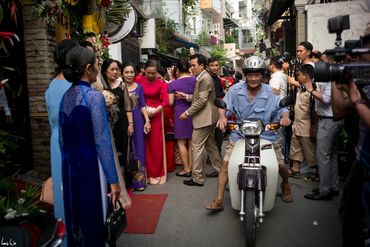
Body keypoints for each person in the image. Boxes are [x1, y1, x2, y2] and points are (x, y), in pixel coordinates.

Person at [206, 55, 292, 211]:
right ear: (245, 74)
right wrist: (221, 117)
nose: (253, 78)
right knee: (225, 165)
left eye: (257, 74)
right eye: (250, 74)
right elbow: (223, 105)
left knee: (280, 166)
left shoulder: (271, 91)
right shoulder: (234, 90)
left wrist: (285, 118)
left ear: (263, 74)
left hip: (266, 135)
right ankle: (219, 199)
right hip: (239, 134)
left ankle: (285, 184)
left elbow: (282, 109)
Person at [59, 46, 120, 246]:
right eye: (96, 65)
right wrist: (113, 179)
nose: (98, 69)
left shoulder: (65, 97)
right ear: (87, 68)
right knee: (95, 213)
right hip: (91, 165)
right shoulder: (94, 97)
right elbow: (102, 140)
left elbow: (61, 140)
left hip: (69, 166)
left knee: (75, 212)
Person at [44, 39, 79, 247]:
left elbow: (51, 121)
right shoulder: (73, 86)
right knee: (76, 192)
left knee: (62, 191)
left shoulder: (51, 85)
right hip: (74, 143)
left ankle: (63, 239)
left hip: (56, 143)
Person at [303, 55, 344, 200]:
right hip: (332, 120)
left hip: (329, 121)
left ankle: (325, 190)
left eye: (321, 61)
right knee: (331, 155)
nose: (317, 63)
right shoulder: (330, 76)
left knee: (323, 156)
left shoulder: (328, 78)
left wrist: (311, 90)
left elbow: (326, 99)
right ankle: (333, 186)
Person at [179, 54, 222, 186]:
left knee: (196, 146)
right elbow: (201, 97)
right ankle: (222, 170)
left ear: (201, 65)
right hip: (208, 117)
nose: (191, 68)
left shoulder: (204, 78)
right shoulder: (202, 77)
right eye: (190, 65)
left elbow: (202, 101)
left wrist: (187, 112)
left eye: (193, 65)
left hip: (205, 117)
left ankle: (197, 178)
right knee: (211, 146)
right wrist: (186, 97)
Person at [101, 59, 134, 188]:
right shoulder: (100, 86)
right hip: (107, 123)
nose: (115, 72)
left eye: (117, 69)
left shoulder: (122, 85)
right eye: (112, 69)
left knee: (123, 151)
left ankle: (125, 183)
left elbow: (127, 106)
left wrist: (130, 124)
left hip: (122, 122)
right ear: (105, 71)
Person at [139, 60, 169, 185]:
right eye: (149, 73)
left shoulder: (161, 83)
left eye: (154, 73)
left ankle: (157, 172)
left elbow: (166, 101)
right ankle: (147, 173)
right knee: (144, 144)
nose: (151, 76)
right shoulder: (139, 81)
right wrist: (145, 111)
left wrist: (155, 111)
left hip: (156, 115)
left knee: (156, 145)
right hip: (142, 113)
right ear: (144, 71)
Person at [122, 62, 151, 191]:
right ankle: (126, 182)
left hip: (138, 121)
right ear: (122, 74)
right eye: (126, 72)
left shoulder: (139, 87)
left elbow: (142, 105)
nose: (129, 75)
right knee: (127, 150)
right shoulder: (119, 87)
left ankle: (139, 181)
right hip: (123, 121)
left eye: (131, 72)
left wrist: (147, 120)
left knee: (138, 149)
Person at [168, 58, 196, 177]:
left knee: (181, 142)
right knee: (191, 142)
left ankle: (186, 169)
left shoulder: (173, 84)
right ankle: (193, 168)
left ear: (177, 69)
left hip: (179, 113)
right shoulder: (195, 80)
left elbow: (170, 102)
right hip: (193, 112)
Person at [288, 64, 317, 179]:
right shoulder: (301, 88)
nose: (297, 77)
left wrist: (313, 126)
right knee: (295, 147)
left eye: (299, 75)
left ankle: (317, 172)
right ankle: (295, 169)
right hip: (297, 123)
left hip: (307, 124)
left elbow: (314, 111)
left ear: (306, 76)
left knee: (309, 149)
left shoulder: (313, 90)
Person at [206, 57, 225, 178]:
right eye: (212, 65)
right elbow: (214, 95)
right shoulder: (209, 79)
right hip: (211, 112)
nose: (214, 67)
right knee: (214, 139)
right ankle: (218, 166)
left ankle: (217, 164)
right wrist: (223, 93)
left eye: (216, 65)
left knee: (217, 138)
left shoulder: (216, 79)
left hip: (217, 111)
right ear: (208, 66)